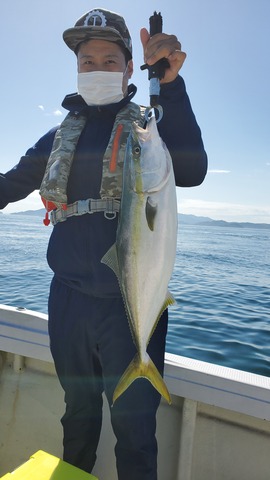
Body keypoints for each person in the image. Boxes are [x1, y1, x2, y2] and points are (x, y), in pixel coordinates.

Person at [0, 8, 207, 480]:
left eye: (109, 60)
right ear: (76, 68)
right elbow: (9, 186)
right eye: (87, 61)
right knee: (77, 413)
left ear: (130, 68)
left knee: (135, 431)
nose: (97, 69)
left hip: (132, 300)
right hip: (68, 301)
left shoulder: (146, 130)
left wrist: (171, 85)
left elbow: (192, 170)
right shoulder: (57, 139)